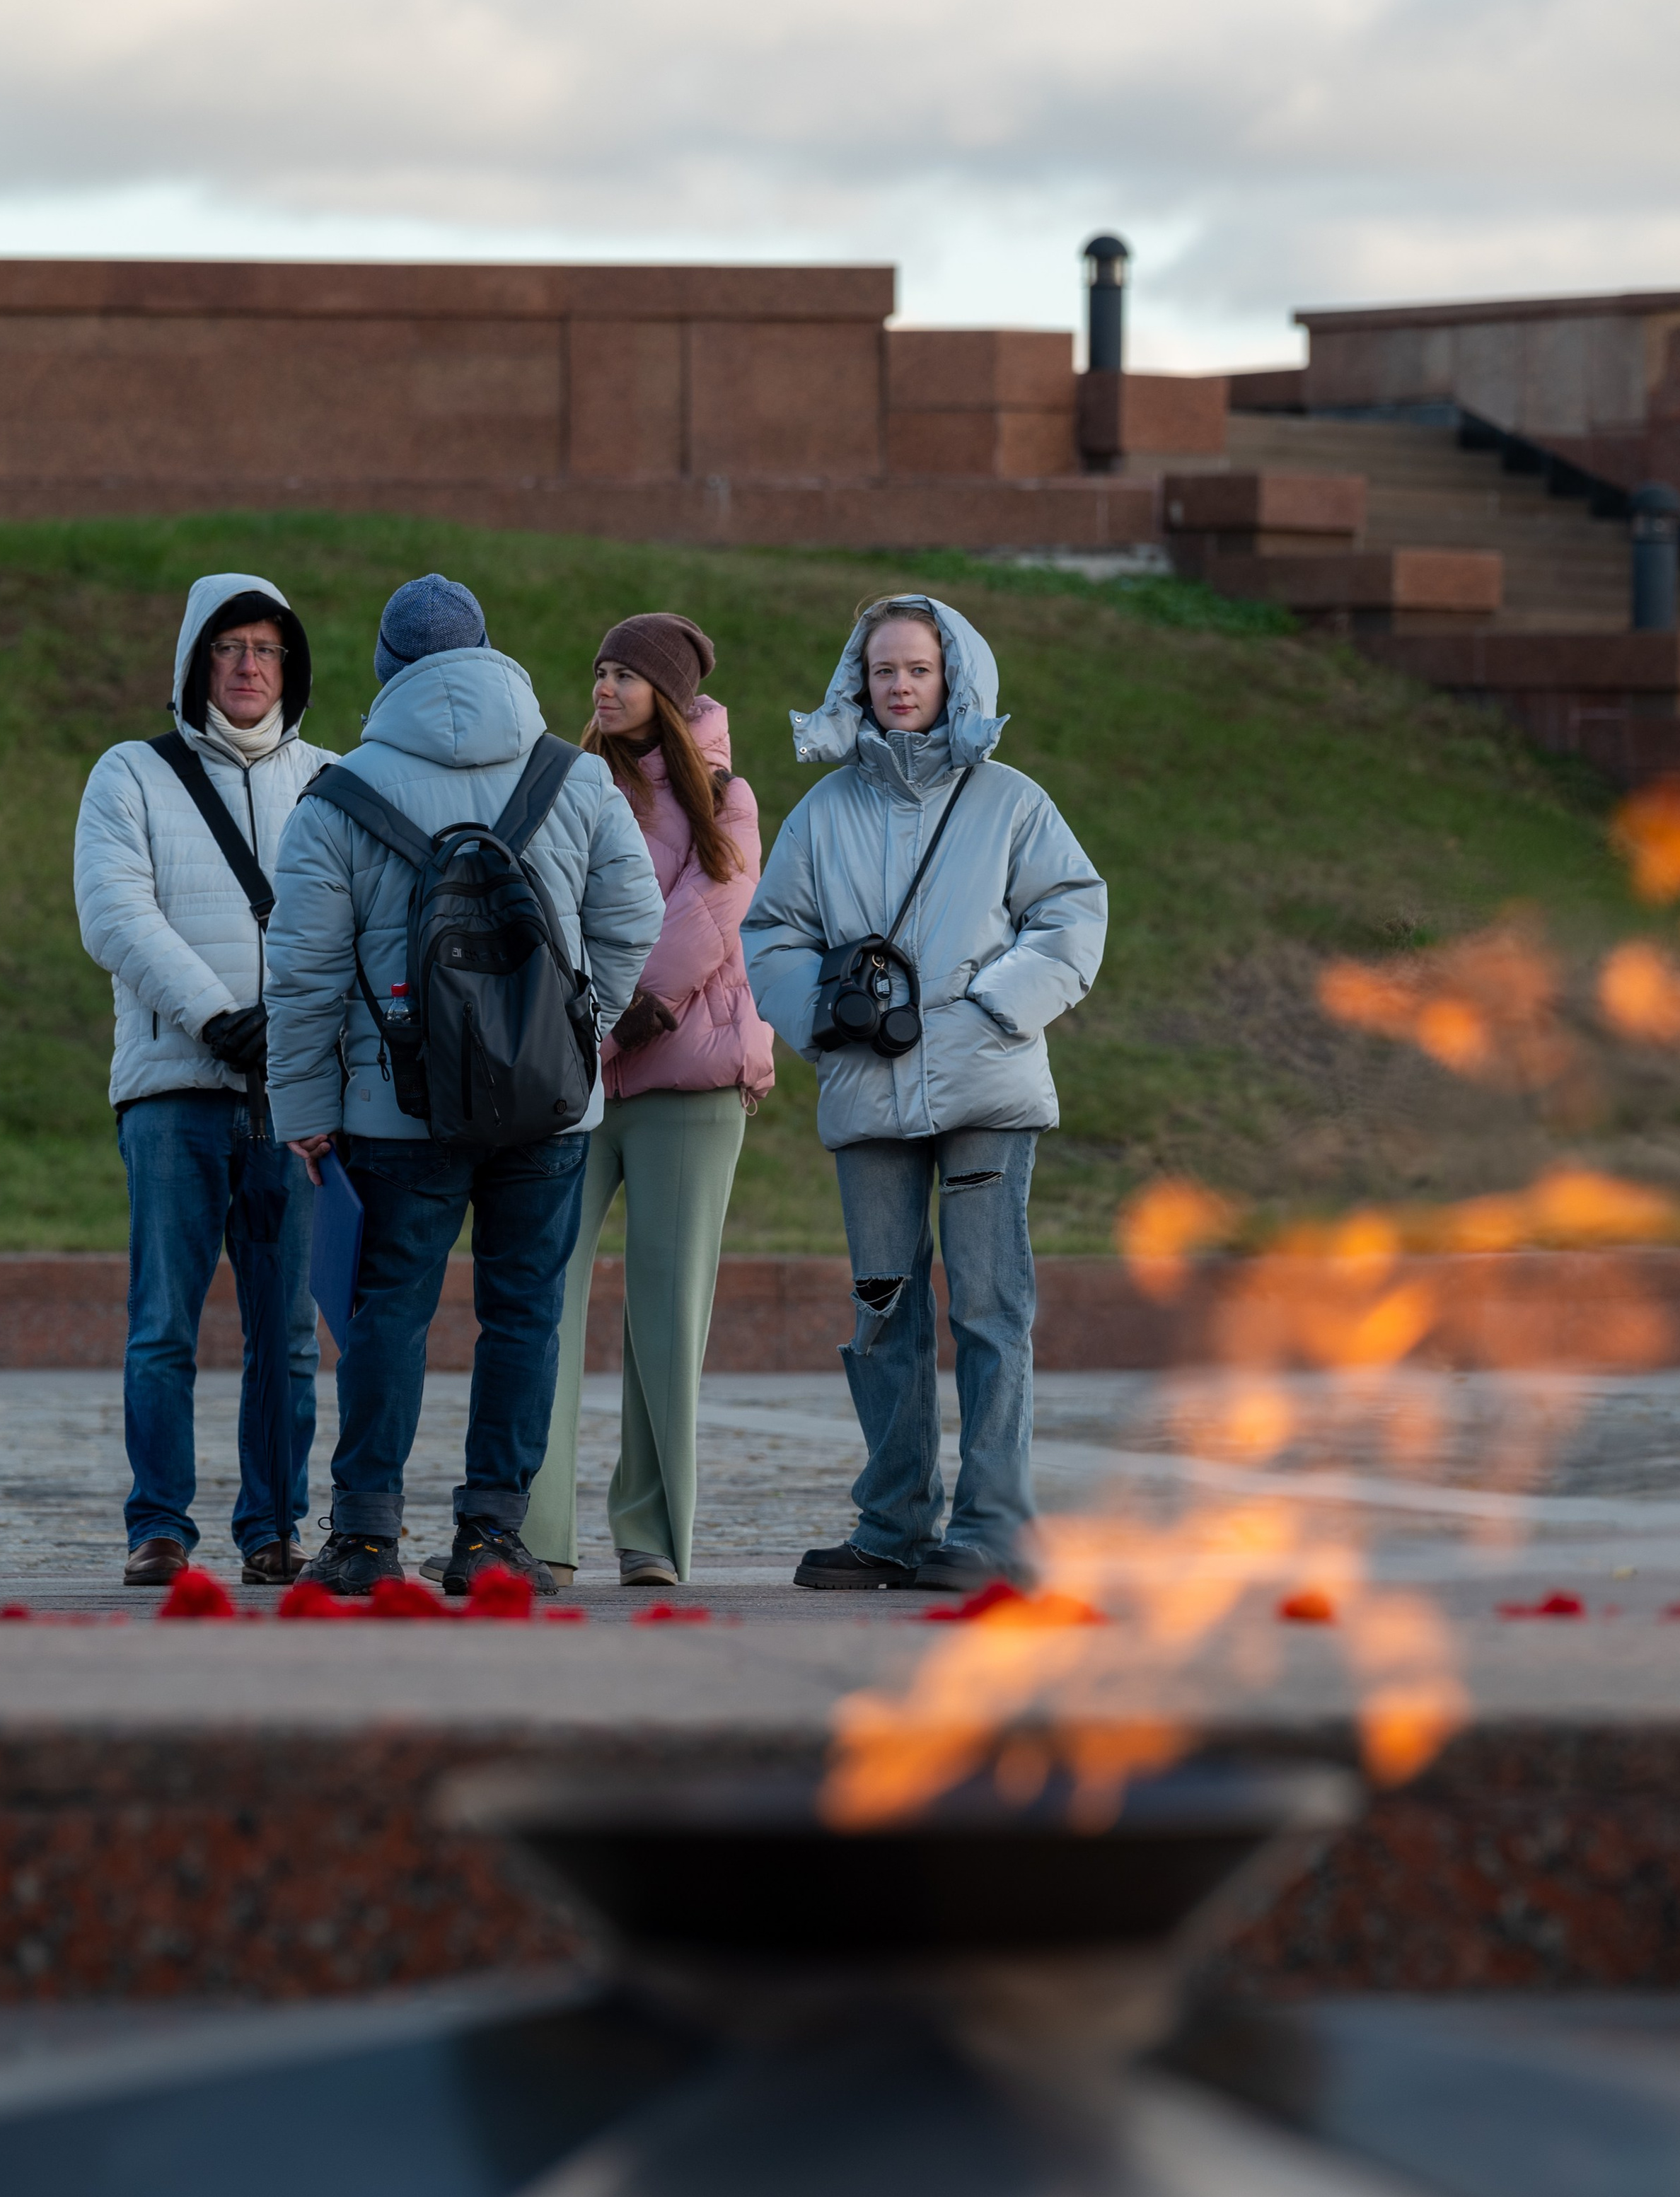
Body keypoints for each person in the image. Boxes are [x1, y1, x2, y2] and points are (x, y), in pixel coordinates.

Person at [265, 574, 663, 1597]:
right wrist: (578, 1031)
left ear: (387, 672)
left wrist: (304, 1110)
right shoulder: (573, 780)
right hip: (549, 1107)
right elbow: (632, 923)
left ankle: (363, 1536)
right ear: (493, 655)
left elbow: (304, 973)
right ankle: (492, 1536)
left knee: (388, 1312)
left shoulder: (340, 793)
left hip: (395, 1106)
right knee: (524, 1312)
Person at [742, 594, 1106, 1594]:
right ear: (857, 680)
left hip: (986, 1089)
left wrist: (996, 1007)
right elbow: (770, 934)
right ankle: (893, 1522)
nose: (898, 687)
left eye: (917, 670)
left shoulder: (1012, 801)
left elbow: (1074, 911)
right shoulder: (823, 813)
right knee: (882, 1314)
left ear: (954, 679)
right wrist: (821, 1017)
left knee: (990, 1309)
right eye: (882, 670)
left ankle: (994, 1528)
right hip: (868, 1095)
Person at [74, 573, 332, 1587]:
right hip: (174, 1089)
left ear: (289, 667)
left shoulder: (330, 776)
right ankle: (160, 1527)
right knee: (163, 1328)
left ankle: (274, 1527)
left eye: (266, 649)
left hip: (296, 1100)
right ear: (195, 662)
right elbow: (117, 913)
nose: (248, 667)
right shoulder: (129, 775)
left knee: (290, 1336)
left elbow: (357, 924)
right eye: (228, 648)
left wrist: (296, 1034)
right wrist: (218, 1017)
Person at [506, 613, 774, 1591]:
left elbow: (702, 924)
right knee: (541, 1297)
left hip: (687, 1080)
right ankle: (535, 1534)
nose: (605, 689)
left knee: (668, 1317)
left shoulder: (730, 800)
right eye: (599, 671)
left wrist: (600, 1029)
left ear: (668, 692)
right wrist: (576, 1041)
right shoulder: (567, 783)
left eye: (626, 675)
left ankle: (652, 1536)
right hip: (571, 1083)